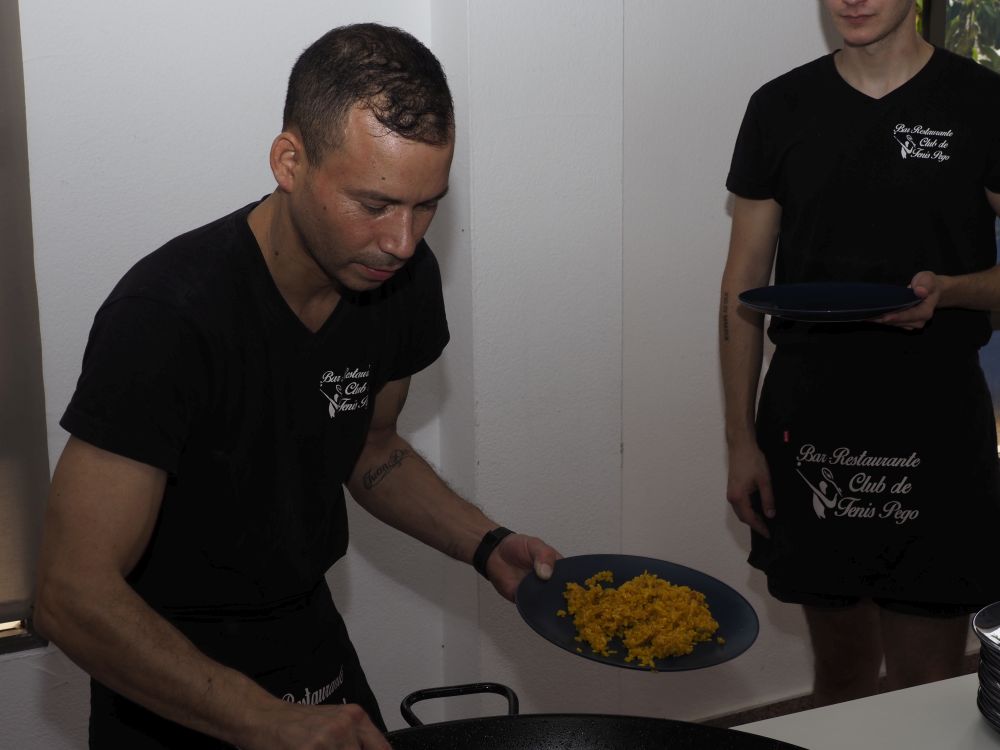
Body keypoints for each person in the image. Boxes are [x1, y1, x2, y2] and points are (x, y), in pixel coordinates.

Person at [33, 23, 559, 749]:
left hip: (304, 630)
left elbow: (371, 448)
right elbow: (70, 594)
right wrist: (264, 721)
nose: (403, 242)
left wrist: (485, 544)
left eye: (427, 204)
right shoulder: (167, 316)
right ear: (290, 161)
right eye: (374, 205)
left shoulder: (400, 281)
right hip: (162, 661)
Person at [720, 0, 1000, 707]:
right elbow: (740, 287)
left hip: (937, 420)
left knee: (922, 687)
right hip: (812, 422)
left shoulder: (981, 102)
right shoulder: (780, 107)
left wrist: (955, 290)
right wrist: (740, 442)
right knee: (841, 679)